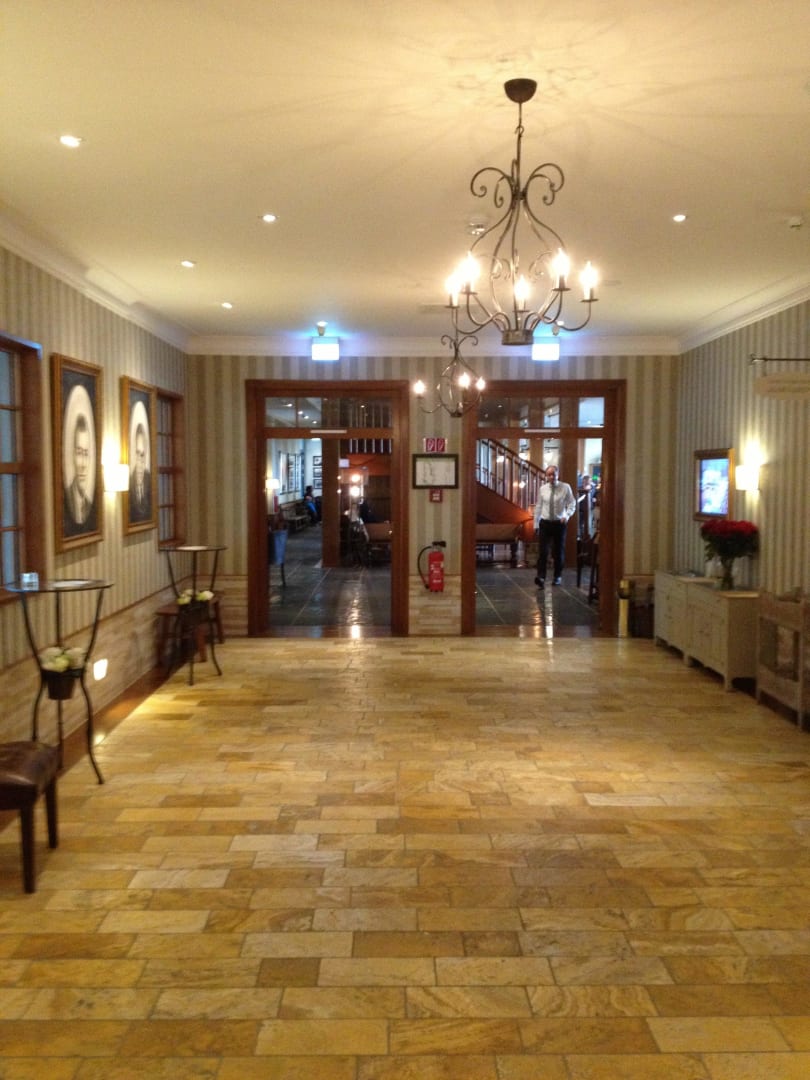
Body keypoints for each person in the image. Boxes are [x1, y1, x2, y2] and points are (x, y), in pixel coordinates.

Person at [533, 465, 576, 587]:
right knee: (543, 551)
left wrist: (567, 515)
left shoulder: (565, 487)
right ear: (546, 476)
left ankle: (557, 576)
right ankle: (541, 577)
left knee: (558, 552)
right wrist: (536, 523)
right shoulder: (543, 489)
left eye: (554, 474)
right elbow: (539, 506)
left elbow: (572, 503)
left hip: (559, 523)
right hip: (545, 523)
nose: (551, 477)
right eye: (549, 475)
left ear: (558, 474)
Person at [63, 413, 96, 535]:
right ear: (72, 455)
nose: (83, 464)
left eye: (86, 454)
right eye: (79, 453)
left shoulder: (89, 505)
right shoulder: (66, 501)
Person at [129, 421, 152, 522]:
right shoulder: (128, 483)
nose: (140, 462)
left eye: (142, 455)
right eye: (137, 454)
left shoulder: (149, 480)